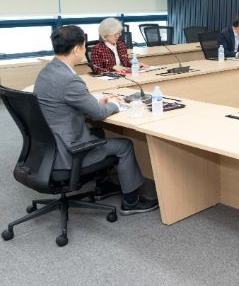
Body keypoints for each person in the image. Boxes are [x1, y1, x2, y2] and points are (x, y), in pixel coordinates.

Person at [34, 25, 158, 215]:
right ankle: (131, 201)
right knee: (124, 145)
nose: (86, 50)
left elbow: (66, 102)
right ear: (77, 49)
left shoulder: (46, 72)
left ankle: (104, 185)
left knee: (98, 132)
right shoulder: (69, 80)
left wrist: (95, 103)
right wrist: (115, 104)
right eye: (84, 46)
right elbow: (98, 114)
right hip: (67, 151)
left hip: (46, 149)